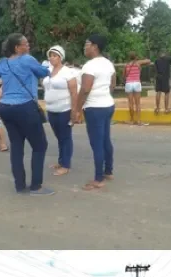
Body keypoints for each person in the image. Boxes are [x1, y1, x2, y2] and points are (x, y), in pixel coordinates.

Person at [0, 33, 53, 195]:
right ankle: (36, 186)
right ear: (17, 47)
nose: (28, 46)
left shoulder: (3, 63)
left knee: (16, 146)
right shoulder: (27, 59)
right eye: (25, 43)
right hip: (25, 107)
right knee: (39, 145)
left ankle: (20, 185)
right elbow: (45, 72)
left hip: (6, 108)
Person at [76, 34, 117, 192]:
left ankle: (98, 179)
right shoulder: (108, 64)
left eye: (87, 44)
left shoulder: (89, 66)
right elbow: (113, 84)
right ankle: (108, 171)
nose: (84, 47)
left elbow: (85, 89)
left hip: (94, 108)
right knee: (105, 139)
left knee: (97, 143)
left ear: (95, 47)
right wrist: (105, 96)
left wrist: (77, 110)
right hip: (107, 105)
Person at [42, 45, 78, 177]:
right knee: (59, 137)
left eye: (55, 55)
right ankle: (61, 161)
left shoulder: (68, 72)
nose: (52, 58)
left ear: (60, 57)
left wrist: (74, 111)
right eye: (50, 55)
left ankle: (66, 165)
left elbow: (74, 92)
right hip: (51, 110)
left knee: (65, 137)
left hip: (64, 109)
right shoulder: (48, 71)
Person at [123, 52, 152, 125]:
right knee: (137, 103)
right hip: (136, 83)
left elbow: (124, 75)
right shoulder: (138, 63)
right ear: (136, 57)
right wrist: (140, 58)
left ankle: (132, 120)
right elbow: (148, 60)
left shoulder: (126, 65)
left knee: (130, 103)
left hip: (129, 83)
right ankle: (139, 120)